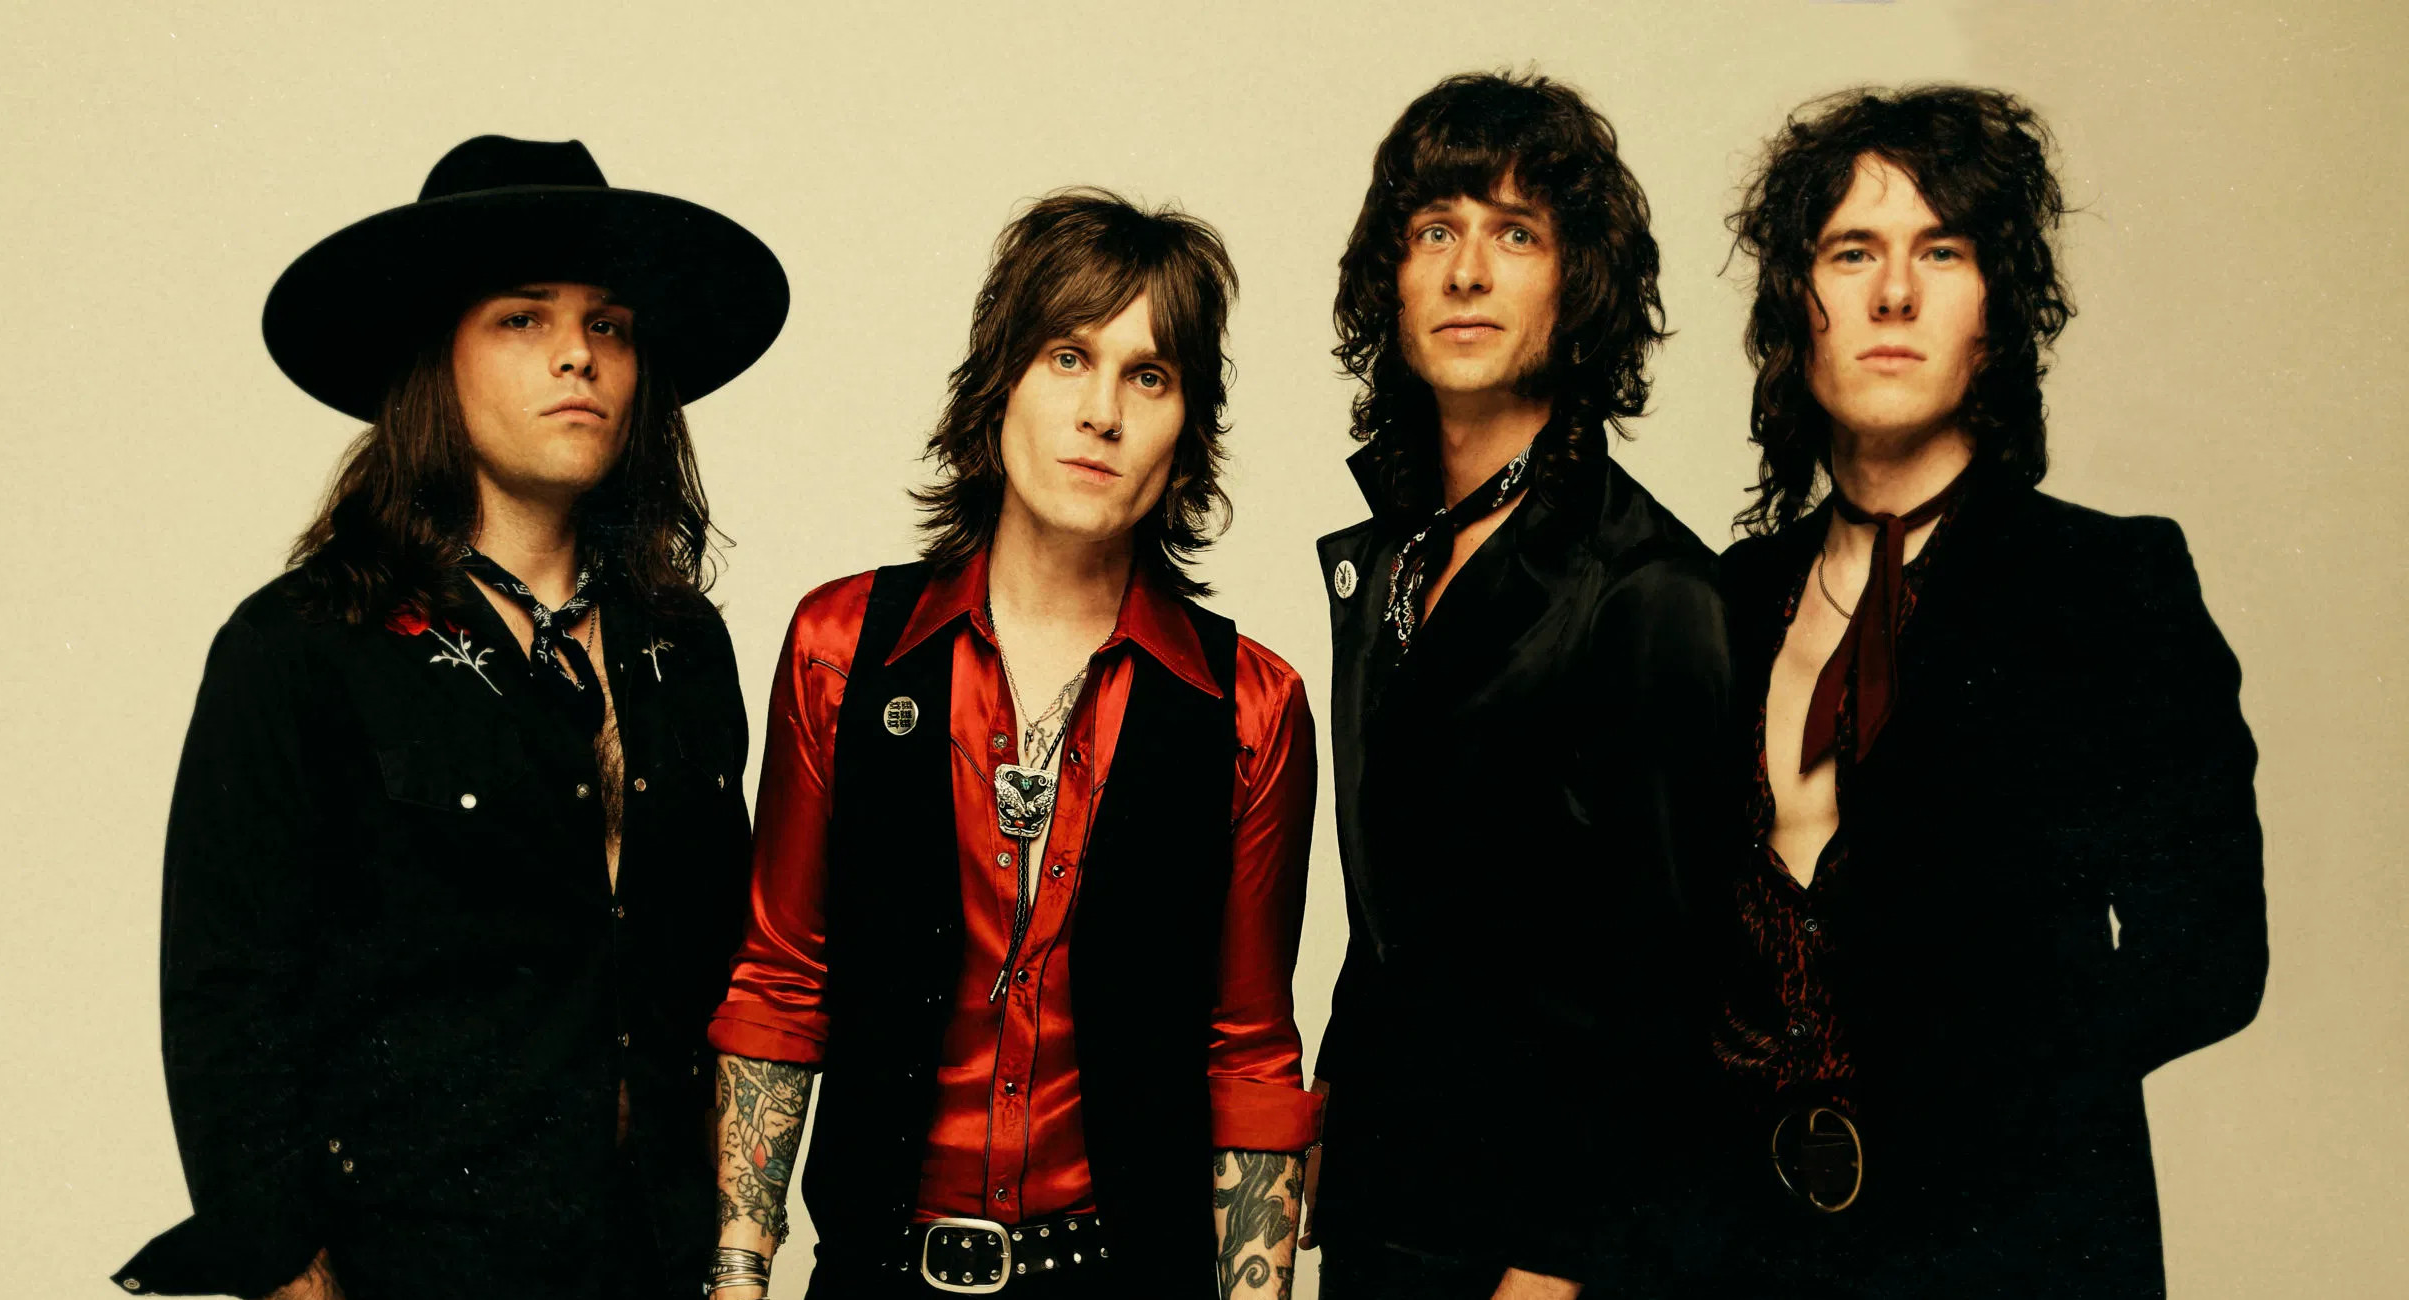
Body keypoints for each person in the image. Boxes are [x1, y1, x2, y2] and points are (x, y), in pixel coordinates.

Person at [110, 135, 788, 1299]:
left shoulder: (681, 647)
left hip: (651, 1261)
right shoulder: (304, 645)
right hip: (409, 1264)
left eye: (610, 324)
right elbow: (224, 1002)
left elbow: (729, 972)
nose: (578, 354)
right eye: (523, 318)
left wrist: (732, 1255)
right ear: (437, 358)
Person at [702, 190, 1320, 1299]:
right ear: (999, 388)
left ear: (1187, 437)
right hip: (880, 1275)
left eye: (1149, 376)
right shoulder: (841, 648)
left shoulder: (1252, 707)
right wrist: (741, 1275)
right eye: (1067, 358)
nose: (1102, 414)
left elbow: (1251, 1055)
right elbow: (781, 979)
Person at [1708, 85, 2268, 1298]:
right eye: (1850, 251)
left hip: (2008, 1247)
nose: (1892, 294)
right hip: (1749, 1254)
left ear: (1995, 309)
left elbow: (2211, 957)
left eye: (1941, 251)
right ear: (1795, 304)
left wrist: (1975, 1094)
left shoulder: (2104, 582)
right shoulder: (1722, 599)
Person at [1307, 71, 1735, 1299]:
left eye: (1514, 234)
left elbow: (1673, 989)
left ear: (1576, 281)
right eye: (1433, 230)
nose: (1465, 272)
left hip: (1540, 1246)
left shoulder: (1649, 589)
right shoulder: (1392, 559)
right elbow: (1401, 914)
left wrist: (1554, 1267)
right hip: (1385, 1213)